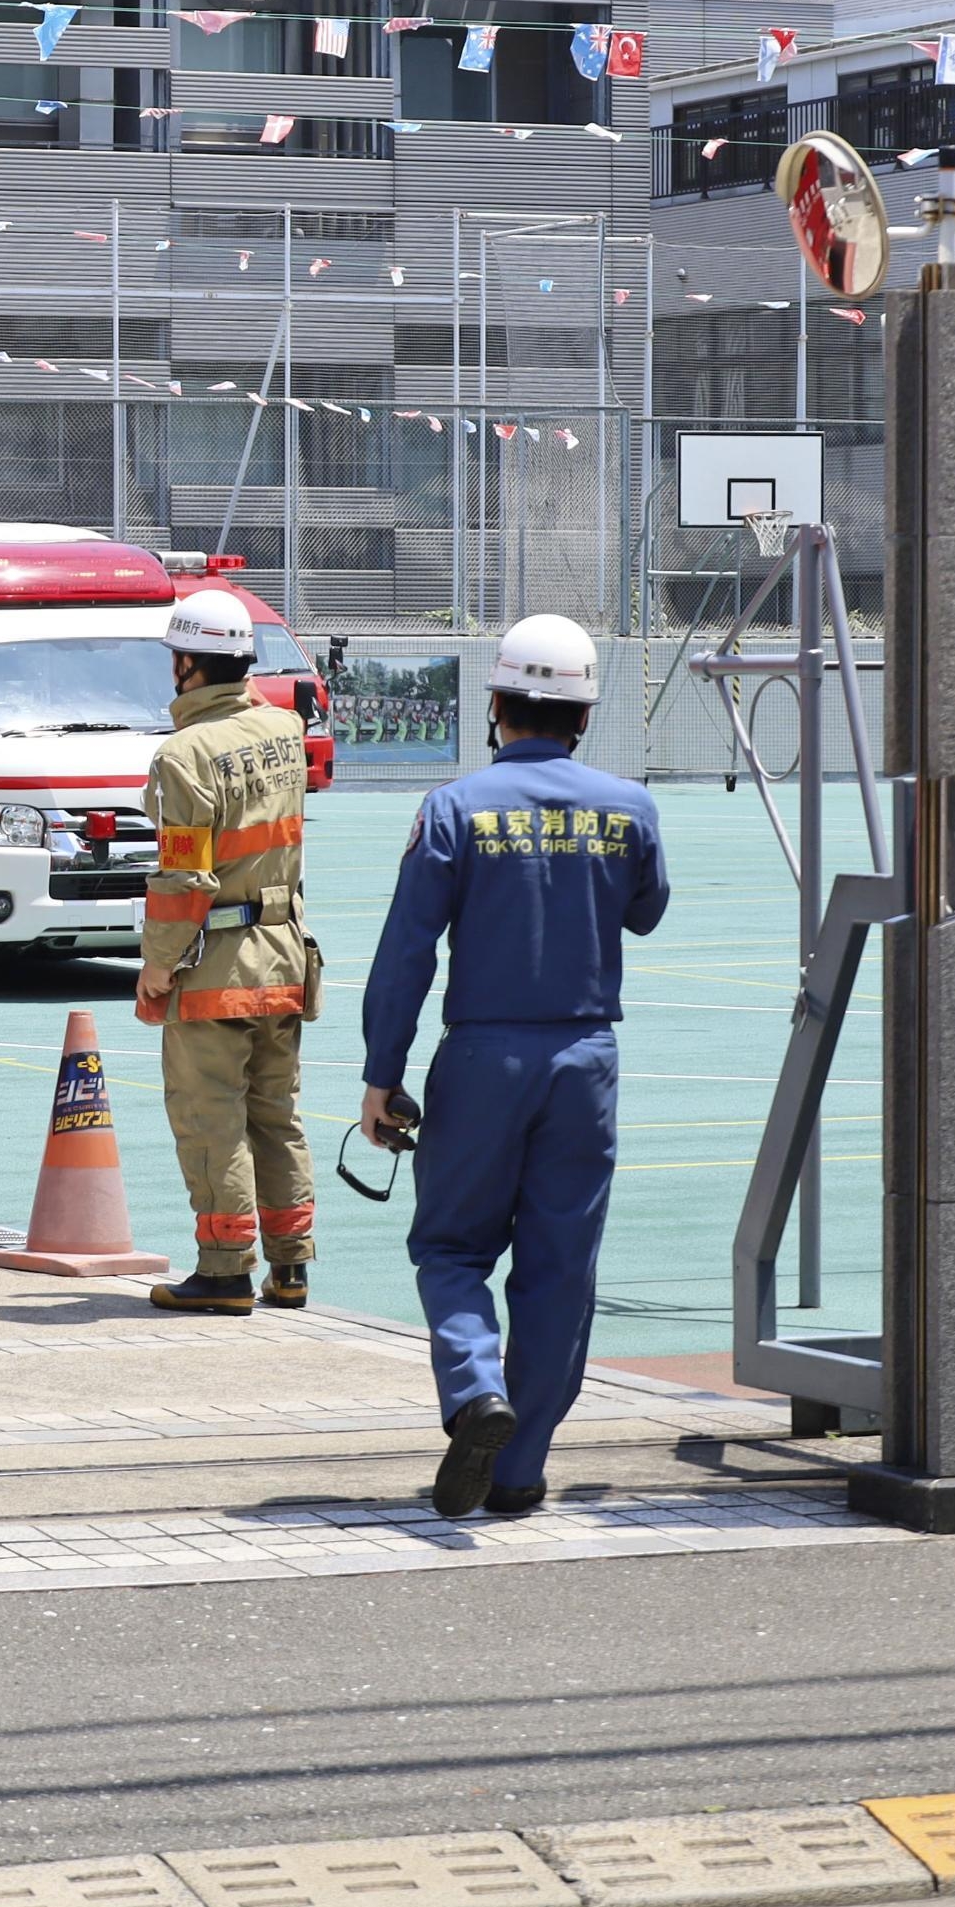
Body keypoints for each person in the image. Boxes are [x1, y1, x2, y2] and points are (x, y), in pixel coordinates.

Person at [358, 612, 670, 1520]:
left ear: (494, 704)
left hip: (483, 1055)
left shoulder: (454, 808)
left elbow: (405, 953)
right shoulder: (630, 808)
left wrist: (383, 1073)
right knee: (558, 1268)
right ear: (585, 715)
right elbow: (646, 910)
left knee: (451, 1244)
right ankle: (521, 1465)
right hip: (585, 1061)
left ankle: (473, 1390)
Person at [136, 587, 321, 1317]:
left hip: (216, 964)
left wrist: (157, 966)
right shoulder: (283, 728)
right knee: (277, 1114)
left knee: (211, 1116)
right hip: (284, 955)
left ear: (187, 663)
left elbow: (185, 876)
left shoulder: (185, 754)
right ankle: (291, 1265)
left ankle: (222, 1268)